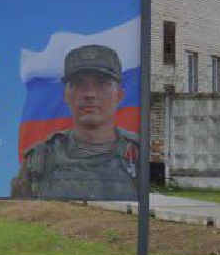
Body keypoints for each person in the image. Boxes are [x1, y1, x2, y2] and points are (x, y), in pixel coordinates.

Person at [10, 43, 139, 201]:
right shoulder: (39, 160)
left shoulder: (138, 154)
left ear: (119, 95)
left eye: (102, 83)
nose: (90, 94)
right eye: (78, 84)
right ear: (65, 96)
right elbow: (18, 218)